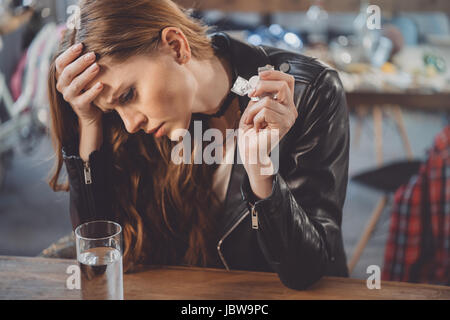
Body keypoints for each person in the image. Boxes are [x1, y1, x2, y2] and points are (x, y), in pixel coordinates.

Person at [47, 0, 350, 290]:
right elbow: (99, 252)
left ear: (176, 47)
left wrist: (261, 170)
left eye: (128, 95)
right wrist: (89, 123)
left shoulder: (310, 93)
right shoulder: (139, 132)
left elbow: (306, 272)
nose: (129, 124)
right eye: (112, 110)